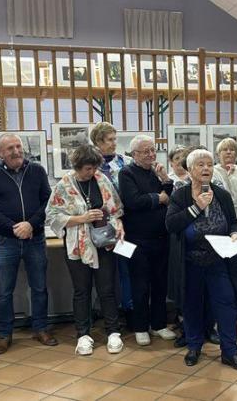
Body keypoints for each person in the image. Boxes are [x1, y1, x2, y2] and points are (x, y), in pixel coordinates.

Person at [166, 149, 237, 371]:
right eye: (200, 165)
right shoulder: (180, 196)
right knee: (191, 305)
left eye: (210, 165)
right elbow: (171, 224)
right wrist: (196, 208)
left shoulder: (221, 195)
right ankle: (194, 347)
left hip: (218, 261)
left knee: (226, 305)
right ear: (190, 170)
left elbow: (233, 222)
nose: (206, 169)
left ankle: (230, 352)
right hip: (190, 261)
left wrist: (234, 234)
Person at [0, 134, 56, 355]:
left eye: (18, 146)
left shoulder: (37, 171)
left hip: (35, 238)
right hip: (6, 241)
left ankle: (41, 328)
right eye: (9, 148)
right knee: (4, 291)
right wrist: (13, 226)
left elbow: (48, 202)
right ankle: (4, 334)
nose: (15, 151)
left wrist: (31, 225)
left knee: (40, 287)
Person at [46, 144, 125, 355]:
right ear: (77, 166)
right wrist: (82, 218)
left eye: (94, 168)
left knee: (107, 290)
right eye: (87, 169)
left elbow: (116, 210)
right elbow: (52, 216)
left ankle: (113, 332)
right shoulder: (64, 185)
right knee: (82, 291)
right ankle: (83, 334)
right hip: (77, 246)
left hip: (104, 242)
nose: (91, 172)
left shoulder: (101, 180)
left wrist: (119, 226)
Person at [118, 135, 176, 345]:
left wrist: (165, 179)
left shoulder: (155, 171)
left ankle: (159, 324)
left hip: (161, 236)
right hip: (137, 240)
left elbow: (170, 197)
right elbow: (133, 201)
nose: (151, 155)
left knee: (160, 283)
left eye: (153, 150)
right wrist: (158, 198)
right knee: (140, 285)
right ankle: (140, 326)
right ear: (134, 155)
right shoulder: (126, 173)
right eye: (146, 151)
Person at [90, 122, 134, 325]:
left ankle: (129, 308)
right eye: (110, 140)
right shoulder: (91, 165)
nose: (114, 144)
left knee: (126, 267)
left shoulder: (125, 162)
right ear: (98, 142)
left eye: (115, 139)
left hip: (125, 222)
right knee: (104, 270)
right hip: (99, 225)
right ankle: (106, 311)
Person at [212, 138, 237, 324]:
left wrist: (232, 177)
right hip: (220, 226)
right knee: (222, 270)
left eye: (232, 150)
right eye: (225, 150)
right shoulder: (212, 171)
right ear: (218, 154)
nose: (229, 153)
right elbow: (218, 198)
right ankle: (222, 309)